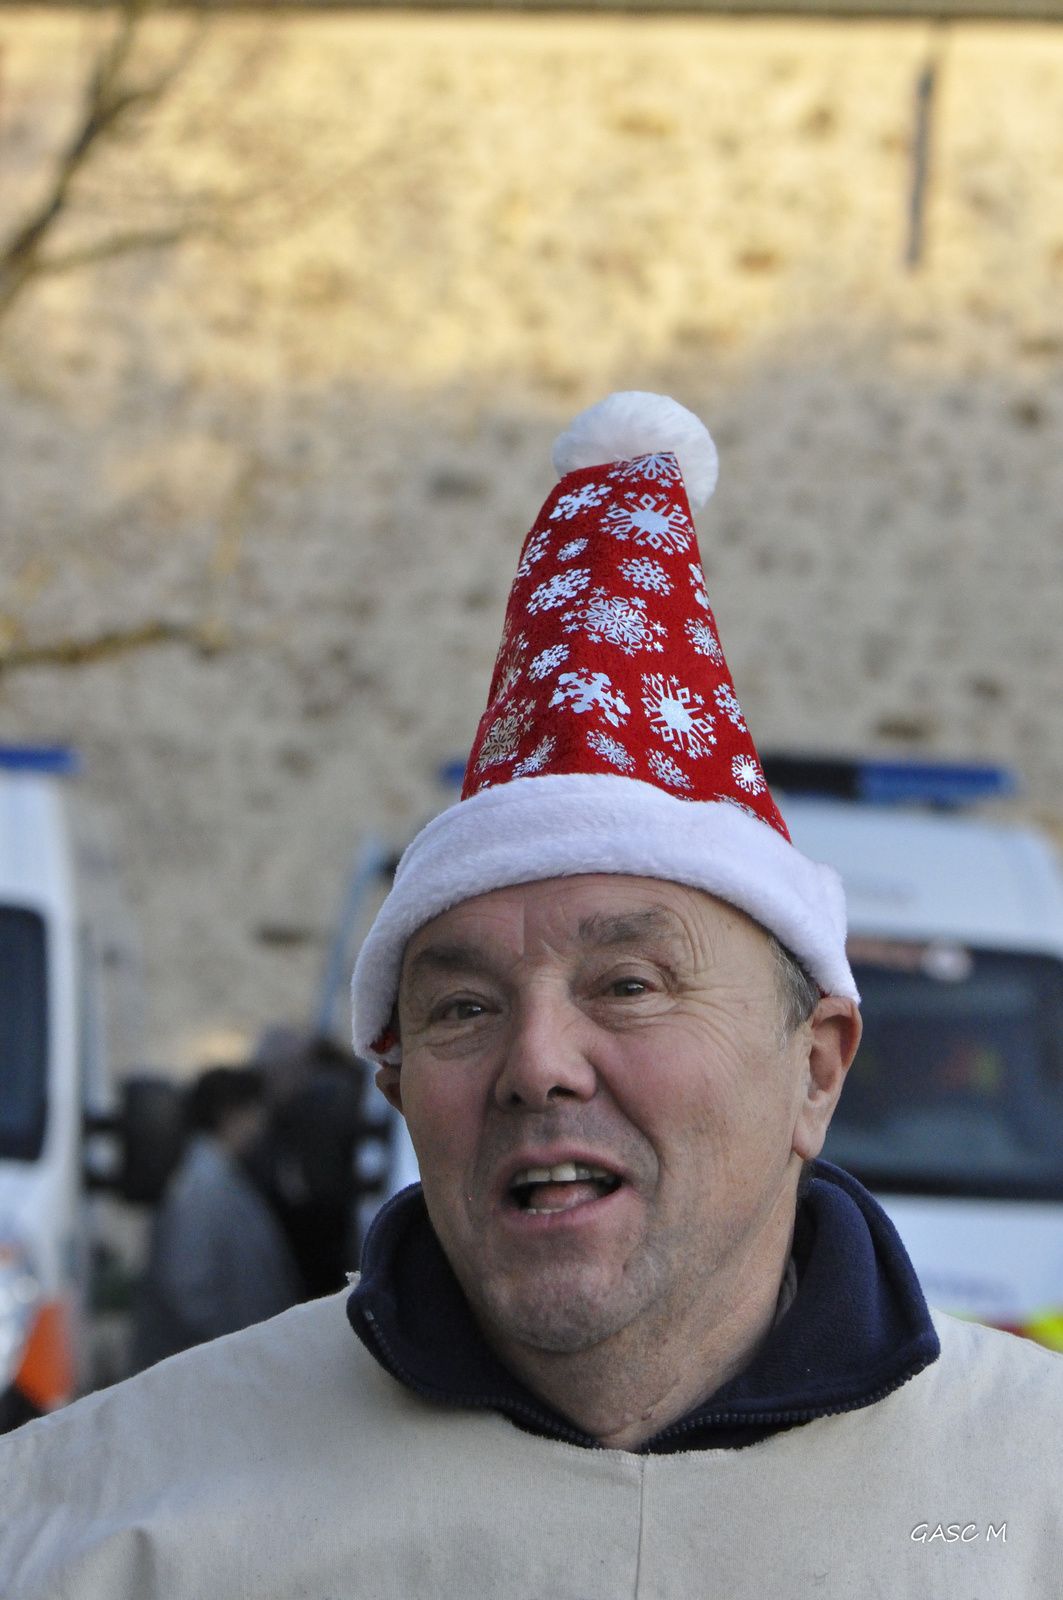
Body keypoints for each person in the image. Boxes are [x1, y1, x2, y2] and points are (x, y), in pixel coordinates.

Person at [1, 392, 1060, 1598]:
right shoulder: (100, 1531)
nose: (538, 1061)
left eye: (626, 982)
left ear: (814, 1065)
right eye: (462, 1006)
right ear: (393, 1079)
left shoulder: (1029, 1502)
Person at [130, 1065, 303, 1371]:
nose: (260, 1125)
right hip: (209, 1368)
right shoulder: (201, 1182)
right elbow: (187, 1284)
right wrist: (230, 1345)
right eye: (254, 1112)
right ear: (231, 1114)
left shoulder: (217, 1175)